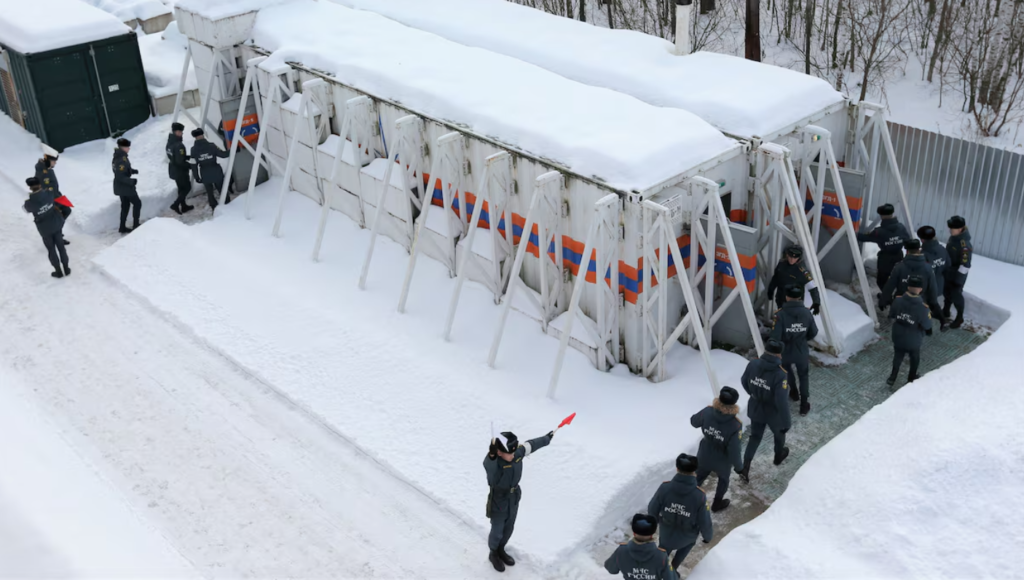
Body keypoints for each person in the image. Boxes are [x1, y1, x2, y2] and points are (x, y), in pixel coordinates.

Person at [483, 429, 554, 572]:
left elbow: (530, 445)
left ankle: (501, 549)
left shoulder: (515, 454)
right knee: (497, 531)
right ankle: (493, 553)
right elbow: (488, 464)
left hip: (513, 497)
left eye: (514, 452)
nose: (513, 455)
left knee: (509, 528)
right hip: (499, 501)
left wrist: (547, 438)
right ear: (499, 452)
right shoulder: (495, 465)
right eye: (510, 453)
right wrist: (491, 455)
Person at [647, 453, 712, 571]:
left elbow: (652, 508)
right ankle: (673, 569)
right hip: (688, 537)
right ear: (694, 471)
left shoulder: (664, 488)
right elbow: (705, 521)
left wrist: (653, 525)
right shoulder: (699, 496)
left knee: (663, 550)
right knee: (684, 549)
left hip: (666, 532)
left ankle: (658, 569)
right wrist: (707, 537)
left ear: (677, 468)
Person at [739, 339, 791, 480]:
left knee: (755, 437)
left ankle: (745, 467)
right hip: (772, 411)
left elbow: (744, 381)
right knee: (779, 433)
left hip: (755, 406)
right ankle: (778, 456)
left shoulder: (753, 364)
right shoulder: (781, 374)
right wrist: (787, 422)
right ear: (779, 355)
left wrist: (754, 393)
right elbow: (781, 401)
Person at [689, 386, 743, 513]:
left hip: (704, 454)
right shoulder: (735, 424)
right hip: (722, 460)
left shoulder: (707, 411)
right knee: (723, 480)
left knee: (698, 477)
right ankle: (717, 503)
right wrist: (739, 467)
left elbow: (694, 422)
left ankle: (689, 500)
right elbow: (734, 451)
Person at [770, 285, 818, 416]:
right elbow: (813, 332)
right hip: (801, 349)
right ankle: (804, 404)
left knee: (787, 370)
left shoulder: (780, 315)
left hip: (785, 350)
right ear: (800, 298)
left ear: (787, 297)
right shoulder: (807, 313)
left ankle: (794, 392)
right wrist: (802, 338)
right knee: (804, 376)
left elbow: (775, 337)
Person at [879, 239, 941, 320]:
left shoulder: (899, 267)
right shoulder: (928, 268)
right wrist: (934, 303)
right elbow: (933, 288)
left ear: (907, 251)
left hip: (901, 303)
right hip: (920, 303)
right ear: (919, 250)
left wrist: (883, 300)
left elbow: (890, 286)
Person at [888, 275, 932, 386]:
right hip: (913, 338)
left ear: (908, 287)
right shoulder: (923, 308)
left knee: (898, 355)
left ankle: (892, 377)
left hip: (898, 335)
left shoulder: (898, 300)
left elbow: (892, 314)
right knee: (914, 358)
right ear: (920, 289)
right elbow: (927, 325)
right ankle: (911, 378)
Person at [604, 514, 678, 580]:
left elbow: (611, 569)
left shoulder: (621, 551)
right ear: (652, 535)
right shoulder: (661, 556)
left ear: (634, 533)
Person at [23, 177, 70, 278]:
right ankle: (66, 268)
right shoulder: (49, 194)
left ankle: (58, 271)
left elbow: (26, 210)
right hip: (56, 224)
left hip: (45, 230)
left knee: (51, 249)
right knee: (61, 247)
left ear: (30, 188)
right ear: (40, 185)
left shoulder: (29, 203)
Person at [857, 203, 911, 292]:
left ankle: (886, 297)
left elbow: (864, 238)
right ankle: (894, 296)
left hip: (885, 259)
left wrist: (852, 233)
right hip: (899, 257)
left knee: (881, 281)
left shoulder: (879, 232)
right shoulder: (901, 227)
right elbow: (908, 242)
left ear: (881, 216)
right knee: (896, 278)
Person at [766, 245, 821, 314]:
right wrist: (771, 290)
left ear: (798, 258)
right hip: (781, 300)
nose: (792, 260)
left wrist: (816, 302)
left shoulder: (802, 270)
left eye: (795, 258)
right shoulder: (781, 264)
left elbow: (812, 287)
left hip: (795, 304)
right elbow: (776, 278)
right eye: (790, 257)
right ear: (787, 255)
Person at [35, 145, 71, 244]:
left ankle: (57, 234)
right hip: (50, 199)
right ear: (48, 160)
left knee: (65, 211)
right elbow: (46, 189)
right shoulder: (43, 172)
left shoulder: (47, 169)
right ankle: (57, 236)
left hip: (55, 196)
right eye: (53, 161)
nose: (55, 163)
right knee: (60, 215)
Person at [190, 128, 231, 212]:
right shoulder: (211, 146)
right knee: (221, 189)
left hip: (204, 173)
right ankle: (228, 204)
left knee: (209, 192)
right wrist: (233, 150)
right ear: (203, 135)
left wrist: (196, 176)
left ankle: (214, 208)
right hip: (216, 171)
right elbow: (223, 155)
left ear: (195, 138)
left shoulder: (193, 150)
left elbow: (193, 165)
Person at [943, 215, 973, 330]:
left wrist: (958, 280)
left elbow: (965, 264)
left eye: (953, 228)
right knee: (947, 292)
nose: (950, 230)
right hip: (949, 271)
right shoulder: (953, 237)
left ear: (960, 229)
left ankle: (959, 317)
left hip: (957, 274)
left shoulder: (964, 245)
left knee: (956, 295)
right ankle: (946, 310)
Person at [918, 226, 950, 328]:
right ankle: (942, 321)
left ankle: (923, 325)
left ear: (922, 239)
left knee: (923, 305)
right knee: (933, 303)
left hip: (927, 287)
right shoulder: (942, 249)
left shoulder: (923, 254)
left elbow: (921, 273)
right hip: (939, 284)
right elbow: (948, 264)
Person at [112, 138, 141, 233]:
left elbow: (121, 171)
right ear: (122, 147)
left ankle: (122, 227)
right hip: (125, 187)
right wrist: (131, 181)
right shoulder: (121, 159)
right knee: (137, 203)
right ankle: (136, 224)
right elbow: (120, 176)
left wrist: (132, 171)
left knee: (125, 206)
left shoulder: (119, 156)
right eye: (127, 147)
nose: (129, 148)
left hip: (121, 187)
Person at [166, 122, 194, 214]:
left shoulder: (169, 143)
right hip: (181, 171)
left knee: (181, 188)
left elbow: (174, 156)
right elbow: (180, 161)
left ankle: (184, 206)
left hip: (173, 169)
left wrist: (187, 157)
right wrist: (190, 166)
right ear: (177, 132)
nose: (182, 134)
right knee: (187, 187)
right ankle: (175, 204)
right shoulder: (179, 145)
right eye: (181, 132)